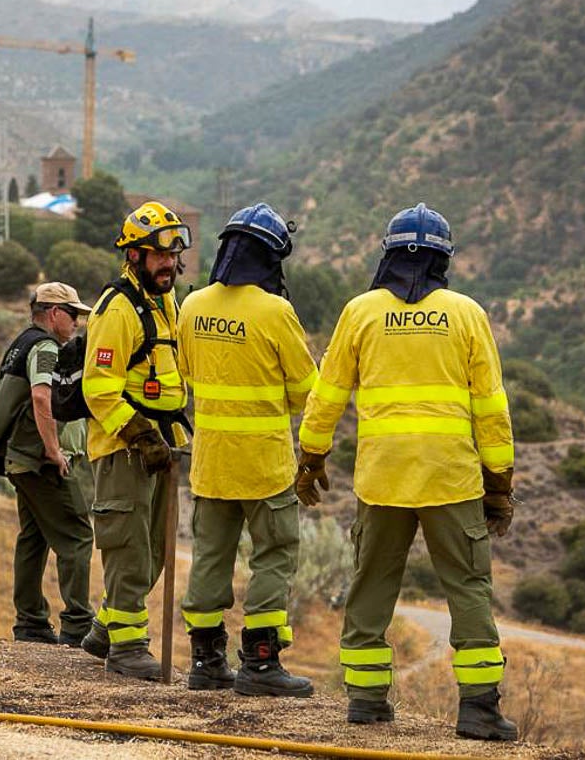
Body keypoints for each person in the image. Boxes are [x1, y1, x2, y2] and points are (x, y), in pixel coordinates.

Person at [296, 203, 518, 741]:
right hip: (452, 479)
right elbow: (492, 407)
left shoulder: (361, 312)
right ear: (444, 259)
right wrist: (500, 484)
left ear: (387, 255)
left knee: (371, 585)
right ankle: (480, 711)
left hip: (383, 479)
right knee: (467, 587)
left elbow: (326, 396)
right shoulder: (467, 314)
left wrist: (311, 457)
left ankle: (367, 703)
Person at [177, 203, 319, 696]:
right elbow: (307, 392)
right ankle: (261, 664)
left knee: (210, 555)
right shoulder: (276, 312)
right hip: (264, 465)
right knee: (274, 554)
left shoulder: (191, 305)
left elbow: (188, 374)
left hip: (211, 462)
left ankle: (205, 661)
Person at [79, 201, 191, 680]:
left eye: (171, 255)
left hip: (162, 447)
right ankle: (127, 648)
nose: (167, 264)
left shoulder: (166, 303)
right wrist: (139, 433)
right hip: (126, 448)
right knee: (128, 547)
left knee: (156, 552)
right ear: (135, 257)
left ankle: (106, 628)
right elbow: (98, 386)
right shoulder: (116, 309)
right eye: (157, 256)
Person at [0, 281, 96, 647]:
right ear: (54, 313)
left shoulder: (18, 344)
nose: (76, 323)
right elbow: (42, 398)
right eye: (73, 315)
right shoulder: (44, 347)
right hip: (39, 461)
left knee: (33, 538)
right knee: (77, 535)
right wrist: (54, 450)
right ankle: (77, 623)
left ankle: (30, 622)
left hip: (18, 459)